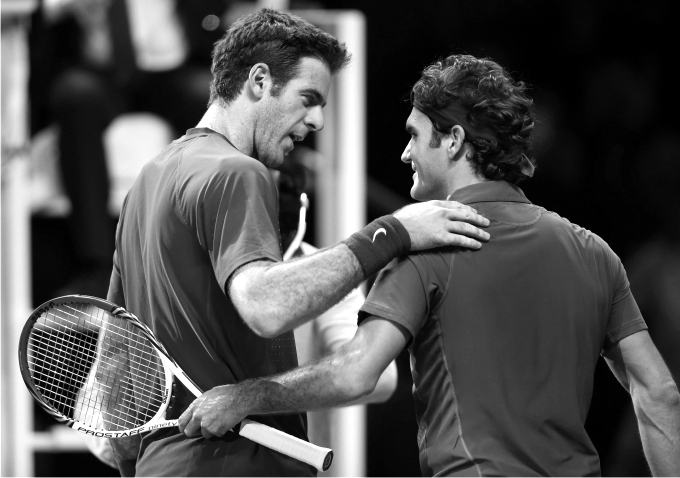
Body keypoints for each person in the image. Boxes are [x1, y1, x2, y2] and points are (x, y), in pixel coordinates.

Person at [178, 54, 680, 477]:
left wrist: (245, 397)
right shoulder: (594, 251)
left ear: (455, 141)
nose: (403, 153)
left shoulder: (428, 246)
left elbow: (356, 374)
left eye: (414, 136)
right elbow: (659, 395)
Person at [106, 10, 491, 477]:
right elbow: (266, 306)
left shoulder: (147, 182)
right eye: (308, 99)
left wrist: (137, 460)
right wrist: (393, 232)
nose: (318, 120)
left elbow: (120, 352)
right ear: (260, 81)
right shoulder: (236, 172)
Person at [31, 0, 225, 296]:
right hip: (97, 69)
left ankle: (221, 254)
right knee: (74, 95)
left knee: (215, 98)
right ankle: (97, 267)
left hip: (171, 68)